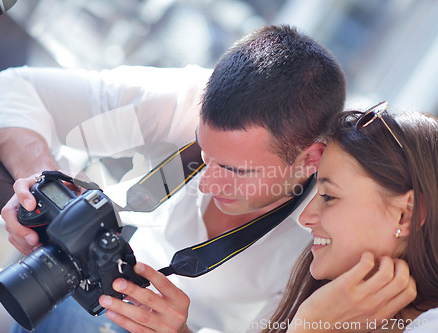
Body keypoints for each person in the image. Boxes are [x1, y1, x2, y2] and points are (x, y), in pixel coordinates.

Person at [0, 24, 353, 333]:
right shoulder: (191, 101)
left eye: (235, 171)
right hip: (98, 293)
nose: (206, 181)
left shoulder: (329, 240)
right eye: (205, 153)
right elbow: (4, 89)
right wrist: (46, 189)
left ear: (310, 160)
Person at [100, 103, 436, 333]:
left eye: (330, 196)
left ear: (406, 214)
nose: (306, 217)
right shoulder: (330, 295)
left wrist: (309, 326)